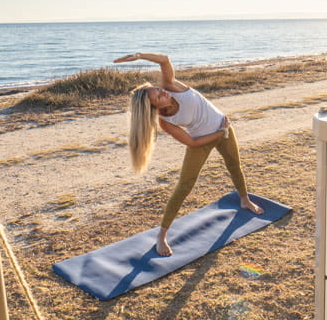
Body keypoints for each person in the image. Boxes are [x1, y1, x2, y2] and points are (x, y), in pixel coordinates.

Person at [113, 52, 264, 256]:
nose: (164, 93)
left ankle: (245, 200)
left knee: (234, 165)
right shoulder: (166, 122)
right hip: (205, 138)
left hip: (224, 128)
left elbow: (164, 60)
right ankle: (161, 235)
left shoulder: (172, 86)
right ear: (156, 108)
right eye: (159, 96)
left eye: (159, 90)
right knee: (185, 184)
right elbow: (192, 141)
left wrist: (139, 56)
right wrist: (219, 133)